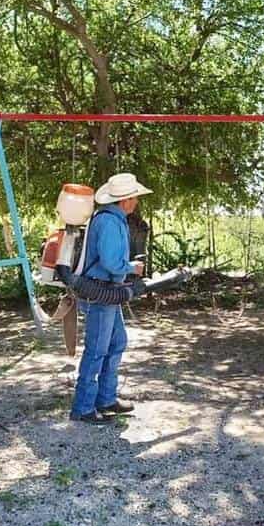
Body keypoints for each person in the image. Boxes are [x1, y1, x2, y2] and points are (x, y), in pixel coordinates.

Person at [70, 172, 152, 425]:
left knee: (117, 343)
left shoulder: (112, 219)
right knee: (96, 350)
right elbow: (111, 262)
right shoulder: (108, 222)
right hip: (101, 293)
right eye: (134, 197)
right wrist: (131, 268)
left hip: (107, 295)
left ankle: (105, 399)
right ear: (125, 199)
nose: (136, 201)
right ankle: (83, 408)